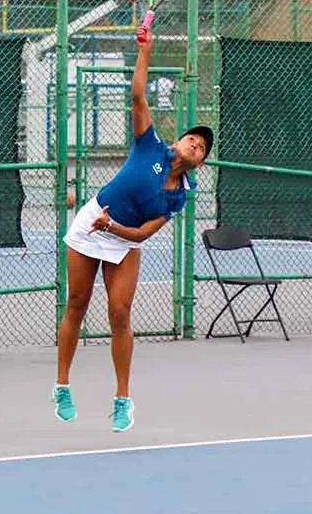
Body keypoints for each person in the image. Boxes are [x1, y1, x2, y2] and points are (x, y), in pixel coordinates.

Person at [52, 26, 214, 432]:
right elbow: (138, 95)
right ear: (178, 142)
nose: (195, 145)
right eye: (192, 139)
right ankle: (62, 386)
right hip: (92, 223)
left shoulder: (178, 196)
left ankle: (123, 399)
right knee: (77, 303)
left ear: (200, 163)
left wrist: (114, 227)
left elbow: (141, 234)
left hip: (122, 237)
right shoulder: (150, 144)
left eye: (201, 148)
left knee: (120, 313)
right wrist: (145, 51)